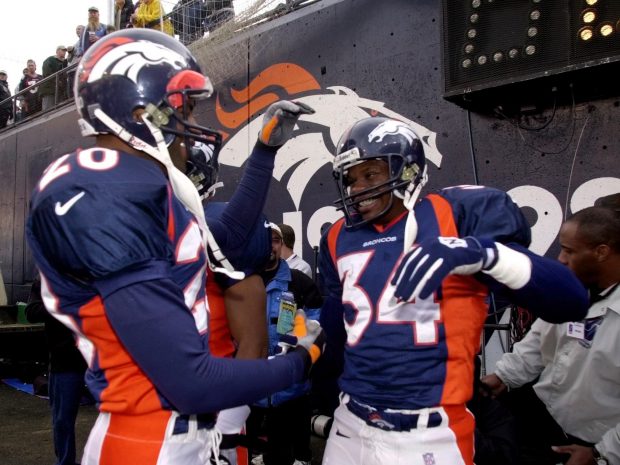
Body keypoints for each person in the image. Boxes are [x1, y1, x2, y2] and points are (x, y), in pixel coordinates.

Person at [25, 29, 324, 465]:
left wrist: (263, 152)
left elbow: (230, 235)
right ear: (141, 110)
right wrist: (302, 359)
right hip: (149, 439)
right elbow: (189, 381)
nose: (190, 124)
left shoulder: (152, 191)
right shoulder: (102, 186)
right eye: (181, 108)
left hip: (178, 436)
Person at [316, 116, 589, 465]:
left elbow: (571, 302)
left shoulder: (456, 215)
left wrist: (484, 254)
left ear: (408, 171)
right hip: (350, 421)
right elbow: (339, 323)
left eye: (370, 174)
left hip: (428, 430)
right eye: (351, 179)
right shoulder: (339, 235)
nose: (357, 189)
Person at [482, 206, 620, 465]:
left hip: (594, 440)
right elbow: (537, 341)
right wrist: (502, 377)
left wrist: (603, 453)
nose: (560, 259)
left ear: (601, 252)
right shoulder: (569, 290)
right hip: (543, 412)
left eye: (569, 251)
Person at [249, 223, 323, 465]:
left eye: (276, 240)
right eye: (266, 240)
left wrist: (299, 352)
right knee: (256, 447)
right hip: (254, 383)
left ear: (282, 244)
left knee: (292, 447)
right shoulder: (244, 282)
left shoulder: (299, 282)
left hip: (292, 384)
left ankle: (301, 457)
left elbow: (316, 326)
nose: (271, 246)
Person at [25, 276, 90, 465]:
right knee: (63, 419)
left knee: (114, 415)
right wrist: (61, 304)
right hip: (65, 362)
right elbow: (31, 312)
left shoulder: (92, 276)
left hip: (100, 360)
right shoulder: (46, 281)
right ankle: (65, 461)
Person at [40, 45, 68, 111]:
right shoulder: (49, 60)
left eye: (65, 51)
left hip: (60, 91)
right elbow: (47, 74)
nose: (64, 52)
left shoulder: (65, 62)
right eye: (63, 50)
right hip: (49, 90)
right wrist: (57, 81)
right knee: (48, 112)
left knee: (61, 111)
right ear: (57, 51)